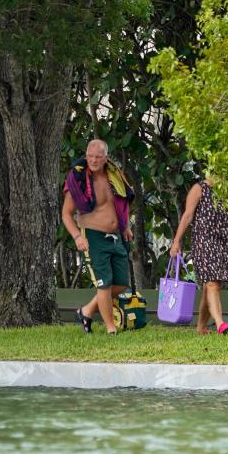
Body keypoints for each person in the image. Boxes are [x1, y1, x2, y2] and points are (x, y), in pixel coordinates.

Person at [61, 139, 134, 335]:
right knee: (104, 284)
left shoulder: (114, 175)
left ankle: (86, 311)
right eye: (90, 156)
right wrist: (77, 237)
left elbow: (121, 202)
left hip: (116, 235)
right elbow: (66, 214)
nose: (93, 160)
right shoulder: (78, 181)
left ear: (105, 158)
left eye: (98, 156)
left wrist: (125, 225)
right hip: (93, 236)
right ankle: (111, 329)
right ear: (86, 156)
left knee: (120, 283)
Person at [170, 176, 228, 335]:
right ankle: (220, 324)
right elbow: (187, 216)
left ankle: (201, 327)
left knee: (211, 286)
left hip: (224, 242)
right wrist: (177, 241)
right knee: (212, 283)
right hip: (204, 241)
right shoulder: (199, 189)